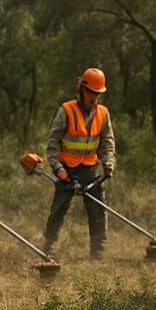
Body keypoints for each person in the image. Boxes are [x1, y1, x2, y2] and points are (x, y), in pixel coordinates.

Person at [42, 67, 116, 259]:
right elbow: (52, 145)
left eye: (98, 94)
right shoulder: (65, 110)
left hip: (91, 169)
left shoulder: (103, 113)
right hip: (67, 169)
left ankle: (98, 254)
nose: (95, 98)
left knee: (98, 211)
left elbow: (107, 142)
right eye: (92, 93)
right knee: (58, 210)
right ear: (82, 90)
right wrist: (58, 169)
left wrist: (108, 164)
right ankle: (48, 250)